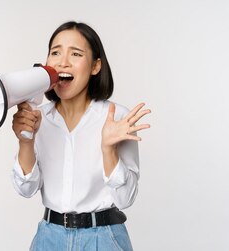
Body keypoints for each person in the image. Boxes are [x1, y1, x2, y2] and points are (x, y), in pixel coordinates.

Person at [11, 21, 151, 251]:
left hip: (103, 238)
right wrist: (26, 142)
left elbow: (126, 199)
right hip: (49, 237)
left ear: (96, 66)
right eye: (55, 52)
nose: (63, 62)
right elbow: (25, 189)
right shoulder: (38, 119)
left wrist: (108, 149)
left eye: (76, 54)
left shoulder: (115, 118)